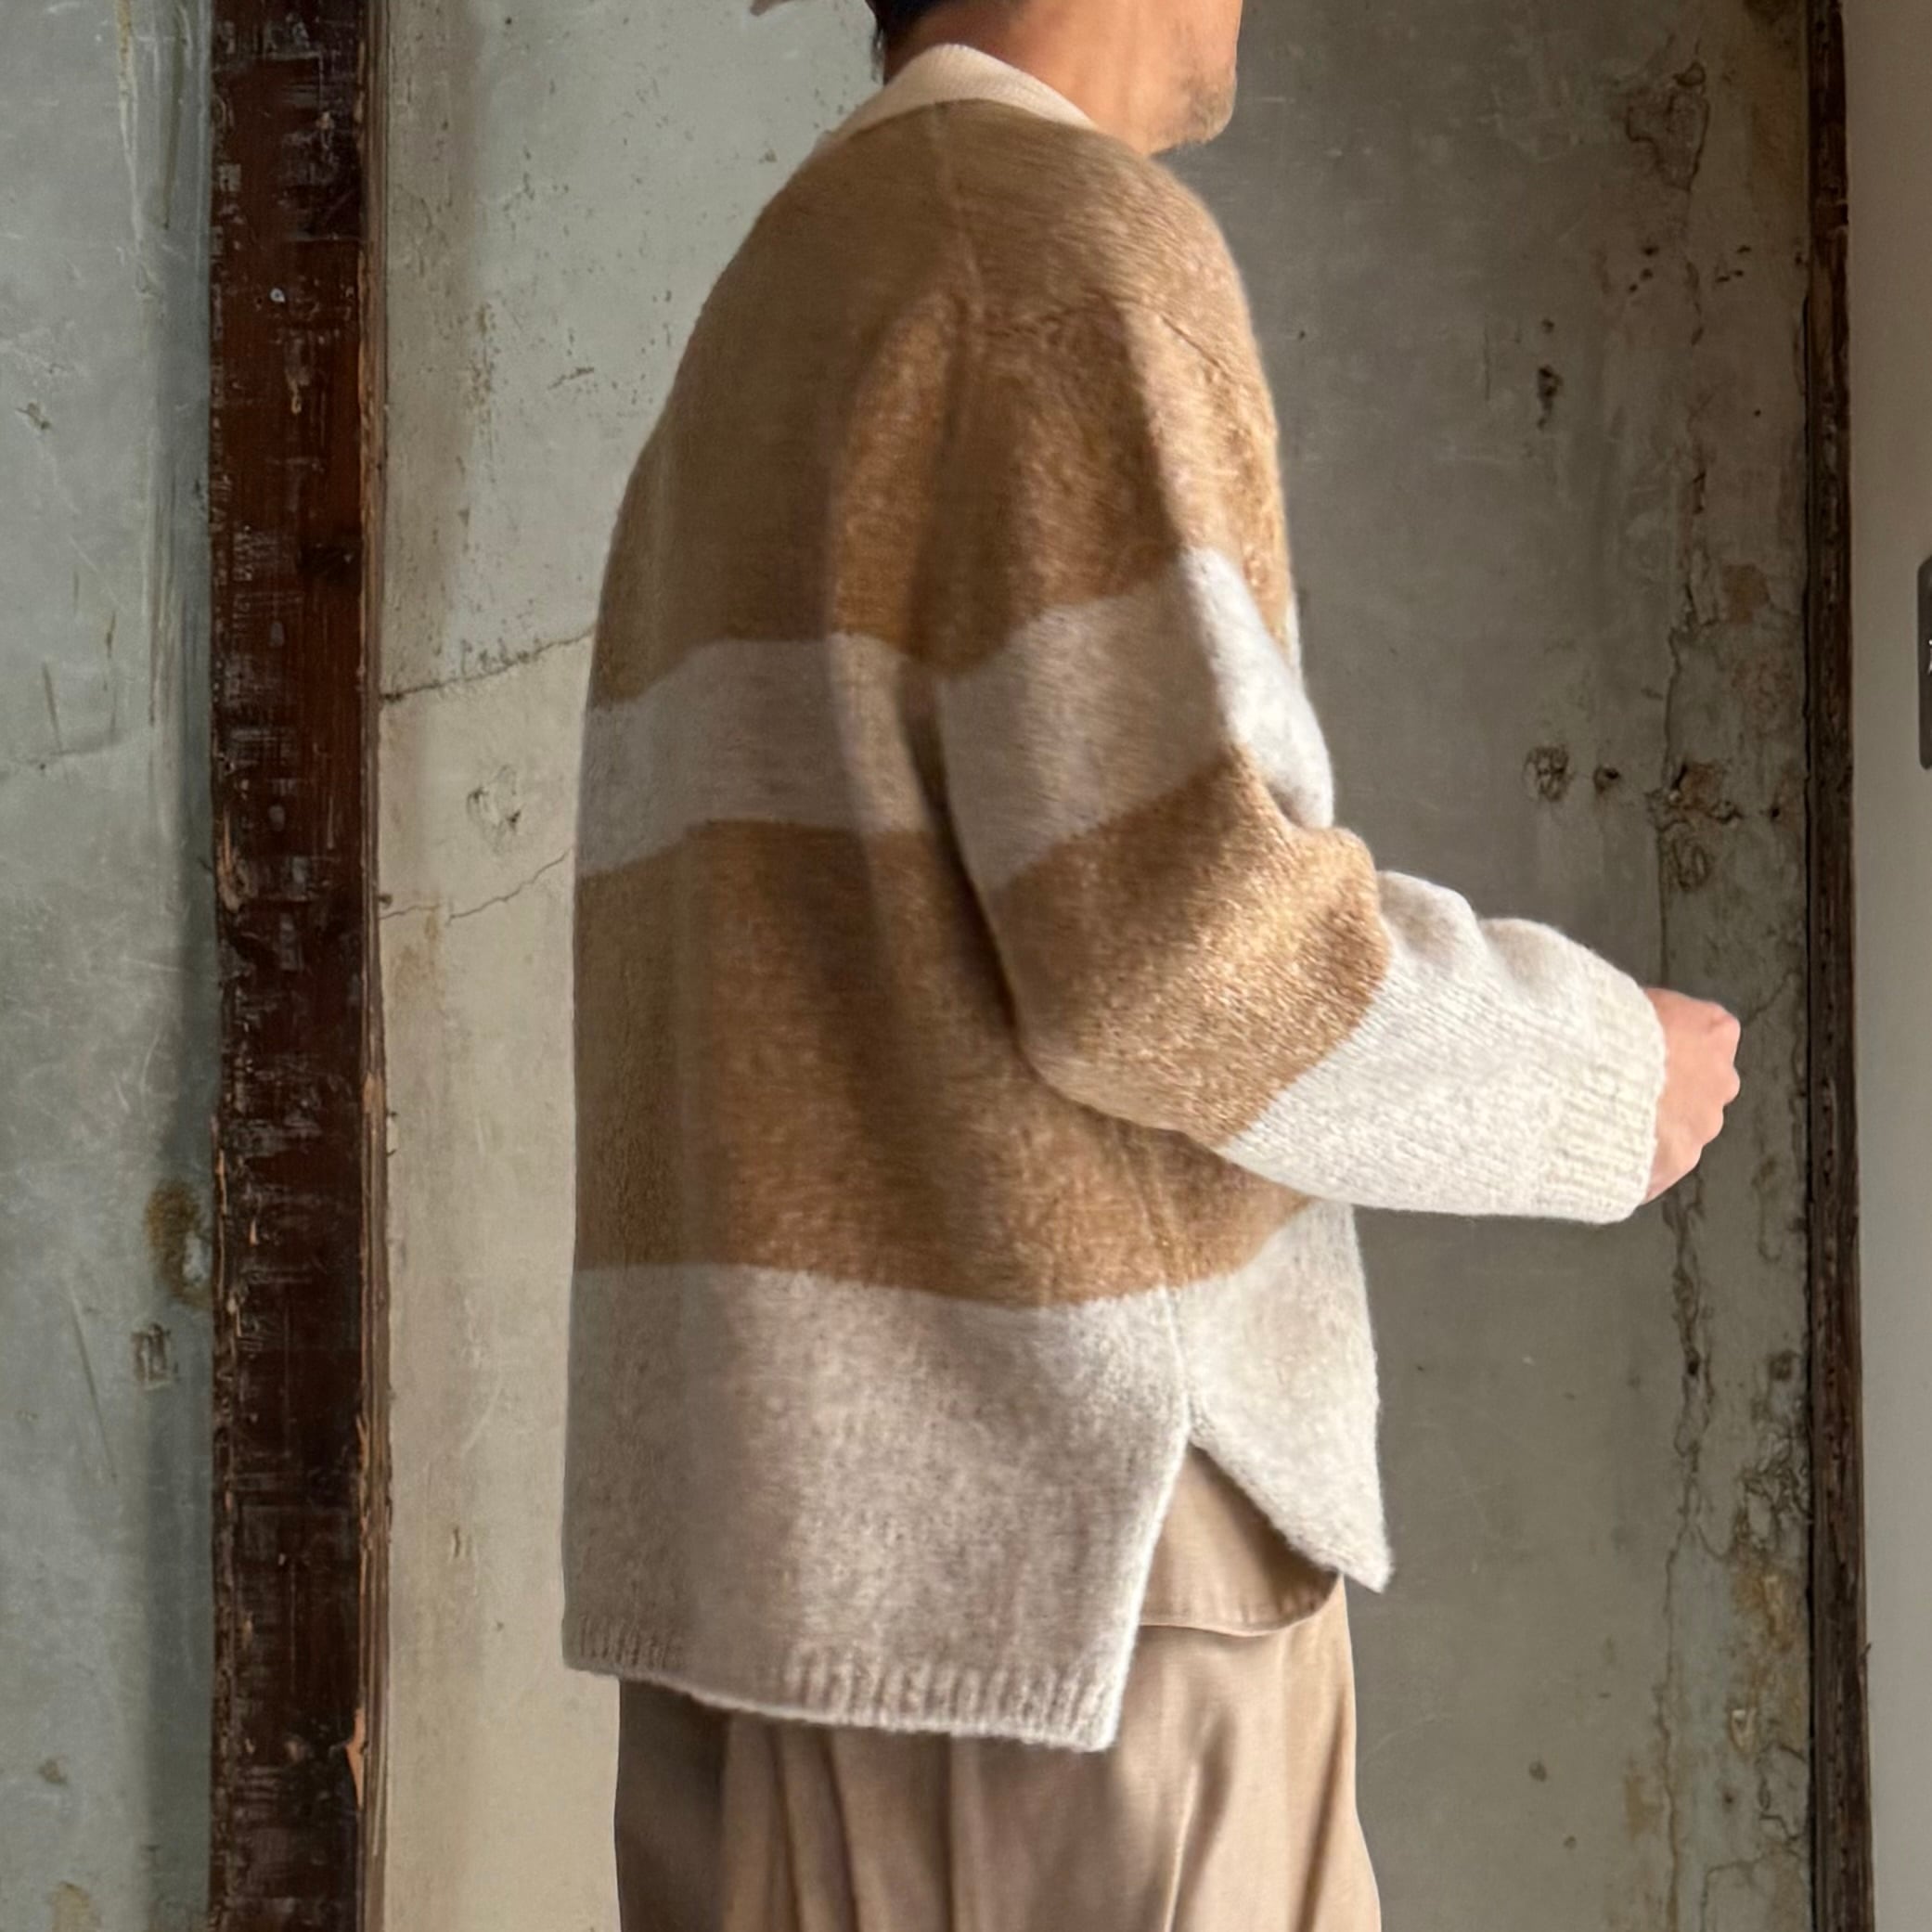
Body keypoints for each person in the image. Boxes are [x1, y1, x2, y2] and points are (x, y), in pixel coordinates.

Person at [563, 1, 1745, 1926]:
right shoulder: (1052, 254)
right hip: (1064, 1571)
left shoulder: (780, 299)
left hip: (769, 1571)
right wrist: (1608, 1081)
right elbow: (1173, 945)